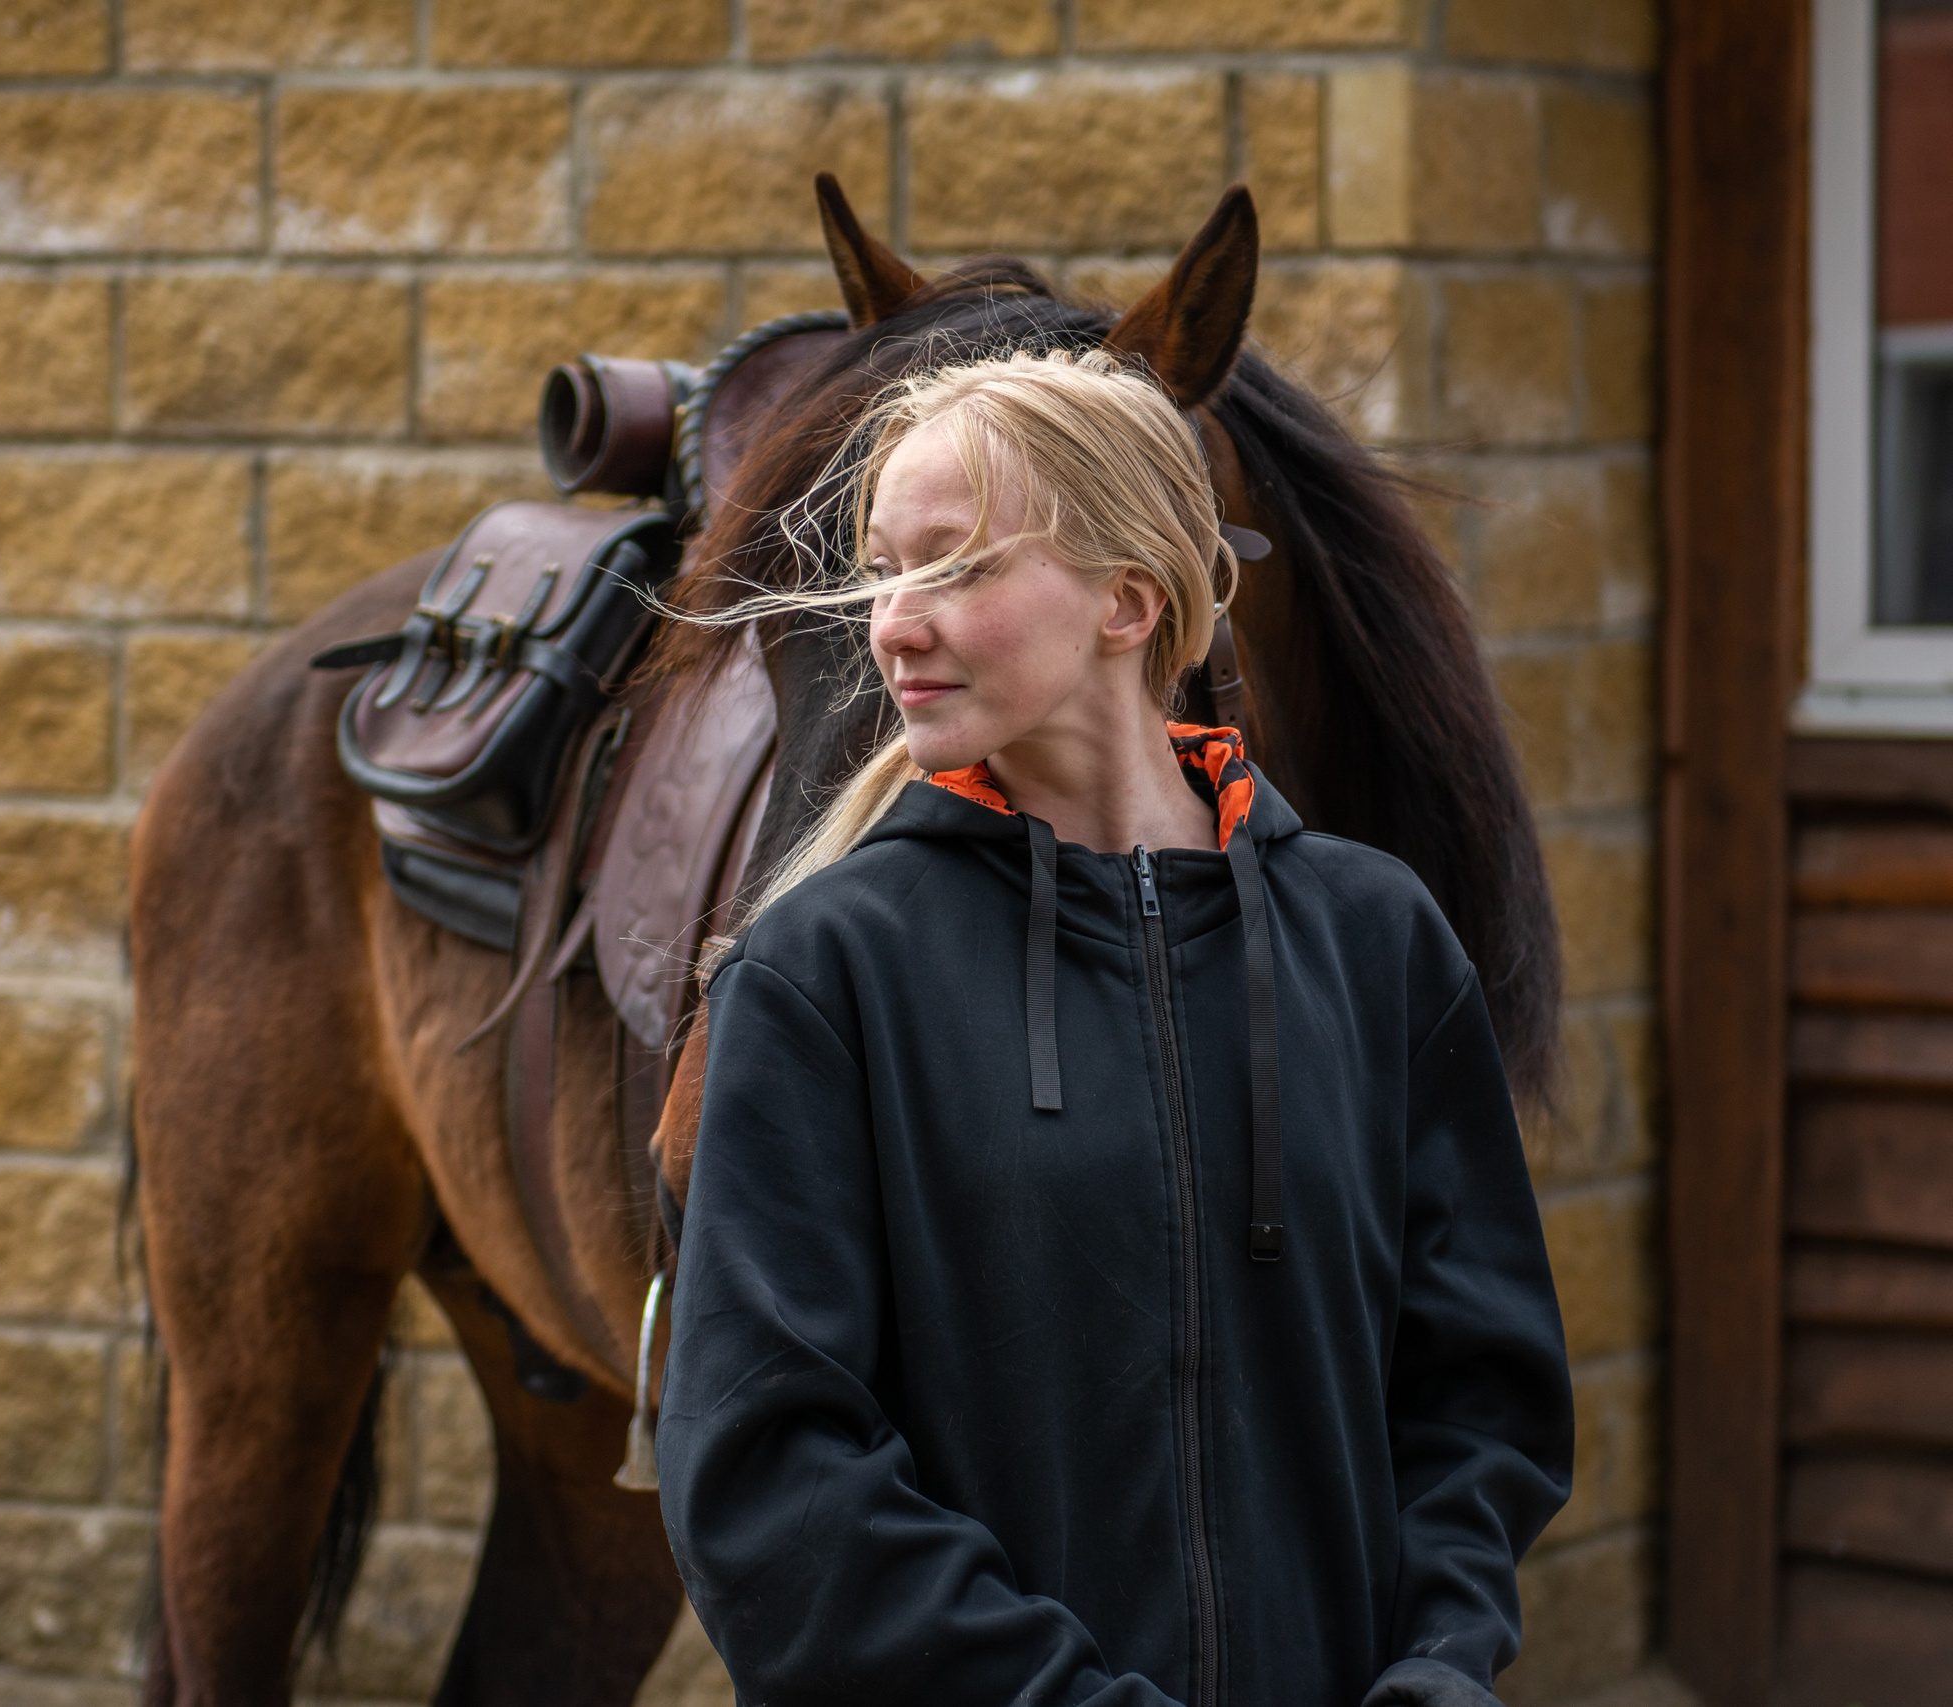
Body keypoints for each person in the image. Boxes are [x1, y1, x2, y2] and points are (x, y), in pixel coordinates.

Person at [654, 349, 1573, 1707]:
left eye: (954, 566)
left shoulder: (1375, 941)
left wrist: (1435, 1671)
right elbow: (766, 1476)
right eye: (883, 571)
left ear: (1129, 601)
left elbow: (1478, 1395)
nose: (893, 623)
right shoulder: (823, 974)